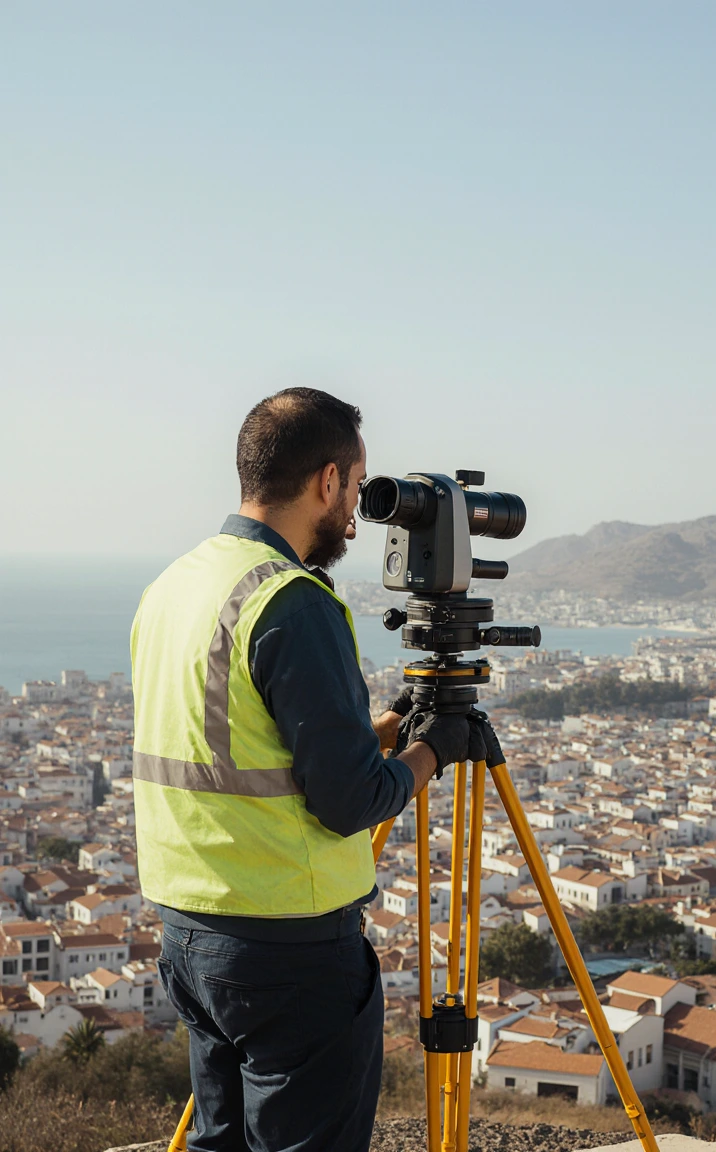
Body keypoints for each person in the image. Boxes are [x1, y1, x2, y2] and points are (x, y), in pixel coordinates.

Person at [131, 388, 472, 1152]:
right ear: (326, 481)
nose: (358, 511)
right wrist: (432, 750)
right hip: (285, 945)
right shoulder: (290, 599)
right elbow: (351, 801)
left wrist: (374, 731)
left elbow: (231, 742)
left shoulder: (175, 586)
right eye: (356, 488)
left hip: (189, 933)